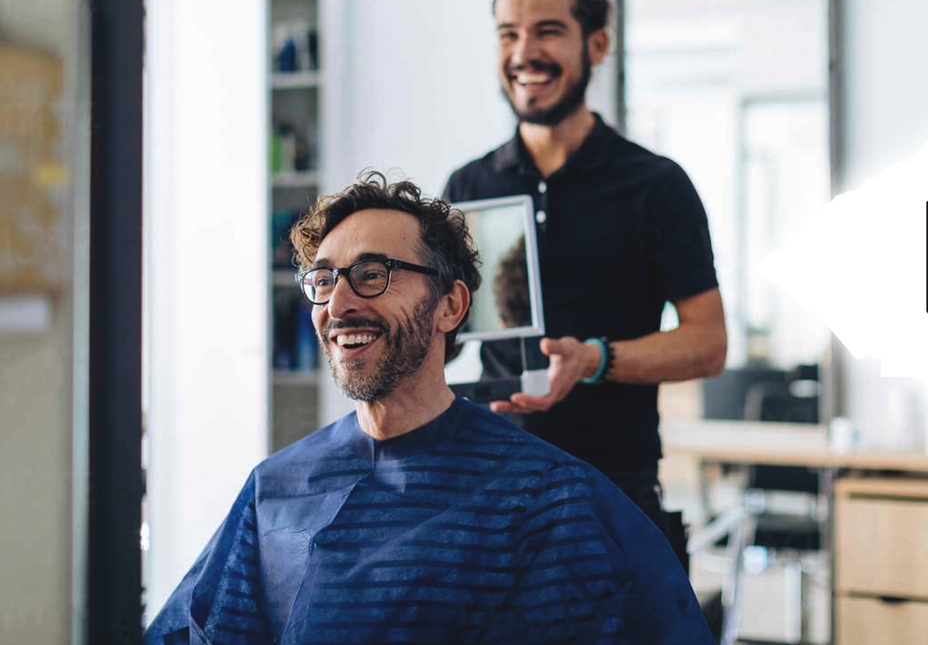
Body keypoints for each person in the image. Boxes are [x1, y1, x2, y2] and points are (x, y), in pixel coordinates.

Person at [144, 171, 713, 644]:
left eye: (372, 275)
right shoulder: (274, 488)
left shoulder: (546, 498)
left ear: (450, 305)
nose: (338, 304)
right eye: (323, 280)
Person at [443, 0, 727, 544]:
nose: (524, 52)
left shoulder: (655, 184)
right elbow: (445, 333)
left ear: (596, 45)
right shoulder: (468, 188)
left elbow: (708, 343)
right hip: (490, 489)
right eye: (508, 33)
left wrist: (594, 359)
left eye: (548, 31)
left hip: (615, 495)